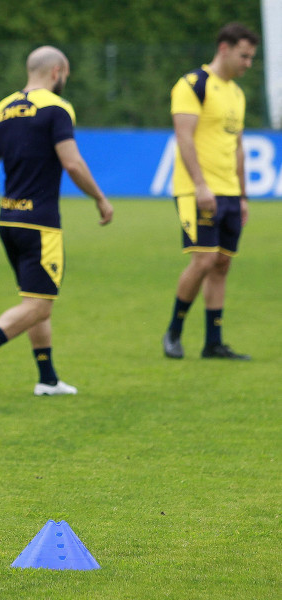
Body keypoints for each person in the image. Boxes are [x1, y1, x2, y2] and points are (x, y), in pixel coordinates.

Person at [0, 46, 113, 400]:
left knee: (33, 299)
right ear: (57, 72)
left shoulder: (0, 110)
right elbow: (72, 163)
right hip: (40, 223)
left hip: (10, 219)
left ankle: (47, 378)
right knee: (40, 304)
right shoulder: (57, 108)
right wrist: (100, 198)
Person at [162, 23, 258, 361]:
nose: (248, 63)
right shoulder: (194, 85)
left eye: (252, 58)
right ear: (224, 49)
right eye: (244, 56)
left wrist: (243, 196)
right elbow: (184, 136)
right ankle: (173, 332)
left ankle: (213, 343)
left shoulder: (237, 93)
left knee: (221, 264)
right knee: (203, 259)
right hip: (197, 190)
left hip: (230, 192)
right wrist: (201, 185)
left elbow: (238, 148)